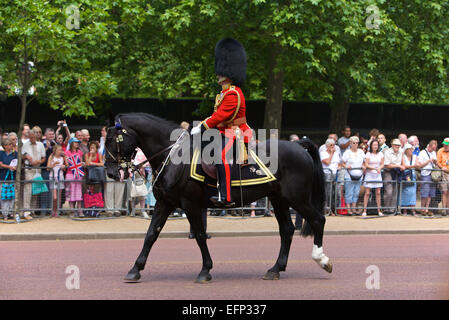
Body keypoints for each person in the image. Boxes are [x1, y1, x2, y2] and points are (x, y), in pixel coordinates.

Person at [191, 38, 251, 207]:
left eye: (221, 71)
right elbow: (216, 116)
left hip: (236, 131)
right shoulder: (223, 93)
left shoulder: (233, 94)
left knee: (221, 156)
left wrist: (202, 126)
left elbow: (221, 116)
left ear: (228, 73)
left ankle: (226, 197)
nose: (218, 74)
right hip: (224, 131)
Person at [22, 129, 46, 220]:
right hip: (28, 168)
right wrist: (26, 156)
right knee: (27, 189)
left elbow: (44, 158)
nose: (32, 139)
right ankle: (26, 212)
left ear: (36, 137)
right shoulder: (25, 145)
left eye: (33, 137)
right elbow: (21, 156)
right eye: (30, 137)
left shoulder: (40, 145)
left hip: (37, 169)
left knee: (36, 190)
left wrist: (38, 161)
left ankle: (32, 210)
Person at [341, 136, 365, 215]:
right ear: (350, 143)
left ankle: (354, 208)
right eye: (353, 143)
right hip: (349, 176)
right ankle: (348, 209)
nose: (355, 144)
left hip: (359, 175)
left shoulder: (361, 152)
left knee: (356, 192)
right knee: (349, 192)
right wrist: (347, 166)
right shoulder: (347, 152)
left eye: (357, 143)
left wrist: (364, 167)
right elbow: (342, 163)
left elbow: (364, 162)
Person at [362, 139, 384, 217]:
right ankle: (364, 210)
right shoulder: (368, 154)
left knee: (378, 193)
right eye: (374, 145)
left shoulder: (380, 154)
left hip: (377, 175)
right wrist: (374, 168)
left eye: (376, 145)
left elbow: (382, 164)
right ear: (371, 146)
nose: (375, 146)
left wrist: (379, 168)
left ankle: (379, 210)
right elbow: (366, 164)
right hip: (369, 174)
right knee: (367, 192)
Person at [320, 138, 341, 215]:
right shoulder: (323, 153)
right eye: (331, 145)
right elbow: (327, 162)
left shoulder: (336, 153)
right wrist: (331, 153)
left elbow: (339, 163)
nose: (333, 147)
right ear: (327, 146)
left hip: (335, 174)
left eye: (334, 145)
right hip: (327, 174)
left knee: (335, 193)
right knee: (327, 193)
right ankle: (326, 209)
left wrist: (339, 167)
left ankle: (333, 209)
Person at [383, 139, 404, 214]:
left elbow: (402, 162)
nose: (397, 146)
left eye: (398, 145)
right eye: (396, 145)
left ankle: (392, 209)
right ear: (392, 145)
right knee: (389, 191)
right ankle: (386, 209)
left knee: (395, 192)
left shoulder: (401, 151)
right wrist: (398, 165)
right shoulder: (387, 151)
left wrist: (401, 166)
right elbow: (387, 165)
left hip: (397, 172)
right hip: (388, 172)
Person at [65, 137, 85, 217]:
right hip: (70, 174)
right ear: (71, 143)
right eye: (75, 142)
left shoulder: (80, 152)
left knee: (78, 192)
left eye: (77, 142)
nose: (77, 144)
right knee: (71, 192)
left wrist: (82, 164)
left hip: (78, 174)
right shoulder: (67, 152)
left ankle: (80, 211)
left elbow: (81, 162)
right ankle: (71, 211)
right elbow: (67, 164)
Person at [418, 140, 438, 216]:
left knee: (430, 193)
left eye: (435, 148)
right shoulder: (422, 153)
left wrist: (435, 162)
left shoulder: (434, 153)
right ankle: (422, 209)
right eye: (432, 148)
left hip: (433, 175)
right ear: (429, 146)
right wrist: (429, 161)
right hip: (425, 174)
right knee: (424, 193)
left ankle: (427, 209)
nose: (433, 150)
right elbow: (420, 165)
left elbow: (436, 164)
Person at [47, 144, 67, 217]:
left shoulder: (62, 158)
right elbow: (48, 168)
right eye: (59, 150)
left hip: (60, 177)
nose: (60, 151)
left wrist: (63, 166)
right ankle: (53, 210)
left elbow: (66, 167)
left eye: (61, 150)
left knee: (59, 196)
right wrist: (54, 164)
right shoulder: (51, 157)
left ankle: (57, 211)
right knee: (54, 197)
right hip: (52, 177)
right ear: (55, 150)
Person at [0, 138, 18, 221]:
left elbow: (18, 163)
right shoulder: (1, 153)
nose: (11, 145)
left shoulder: (15, 154)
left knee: (12, 196)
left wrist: (15, 167)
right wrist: (9, 167)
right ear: (5, 146)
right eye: (9, 144)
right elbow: (0, 164)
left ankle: (11, 212)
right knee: (3, 196)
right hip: (3, 178)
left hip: (12, 178)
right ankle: (5, 214)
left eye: (11, 144)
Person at [400, 144, 419, 216]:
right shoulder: (403, 156)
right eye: (410, 149)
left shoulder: (415, 156)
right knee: (405, 192)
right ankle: (404, 210)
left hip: (413, 176)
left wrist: (414, 166)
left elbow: (418, 164)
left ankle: (412, 209)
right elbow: (404, 165)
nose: (411, 150)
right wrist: (413, 166)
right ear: (406, 150)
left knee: (413, 193)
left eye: (412, 149)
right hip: (405, 176)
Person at [436, 138, 449, 216]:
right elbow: (438, 162)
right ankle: (444, 209)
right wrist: (442, 168)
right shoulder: (440, 151)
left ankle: (448, 209)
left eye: (447, 144)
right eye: (444, 144)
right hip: (443, 173)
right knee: (444, 191)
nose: (445, 145)